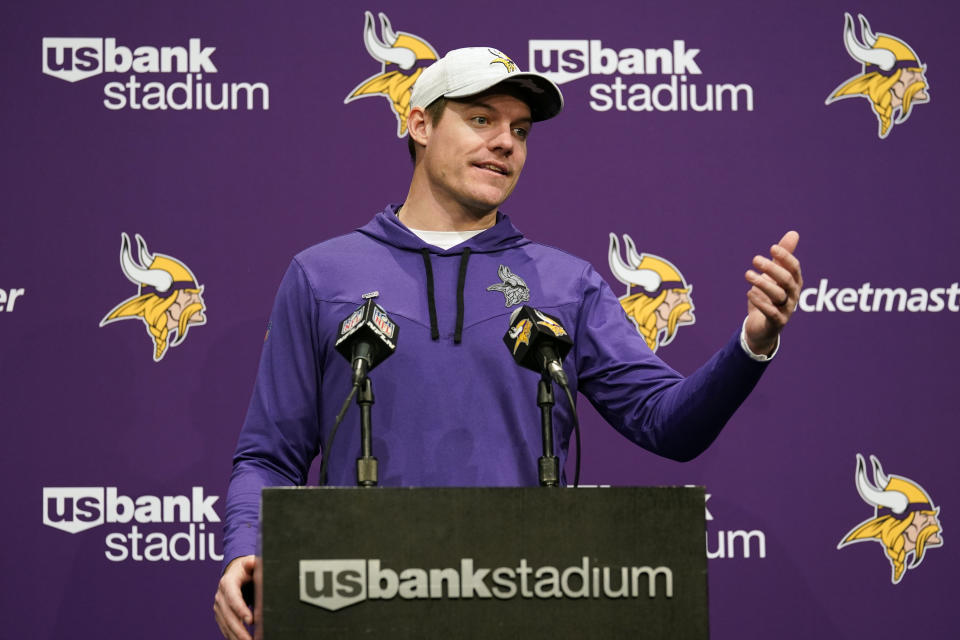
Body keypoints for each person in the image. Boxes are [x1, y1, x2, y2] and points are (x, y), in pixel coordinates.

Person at [213, 47, 802, 640]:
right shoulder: (322, 276)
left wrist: (753, 342)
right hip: (358, 603)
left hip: (525, 604)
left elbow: (669, 425)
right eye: (480, 119)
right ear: (419, 124)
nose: (505, 142)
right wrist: (244, 547)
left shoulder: (567, 285)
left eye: (519, 130)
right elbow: (269, 456)